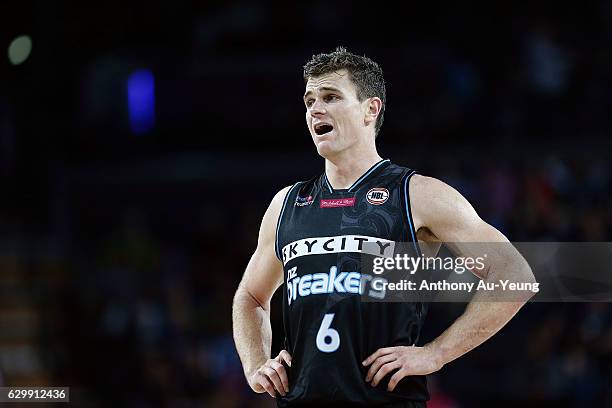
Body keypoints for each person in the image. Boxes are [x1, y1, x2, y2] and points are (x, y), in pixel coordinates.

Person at [232, 47, 536, 407]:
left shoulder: (417, 195)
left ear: (370, 109)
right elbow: (250, 298)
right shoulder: (287, 204)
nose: (315, 109)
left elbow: (515, 274)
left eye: (330, 97)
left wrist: (434, 354)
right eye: (309, 99)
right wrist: (255, 365)